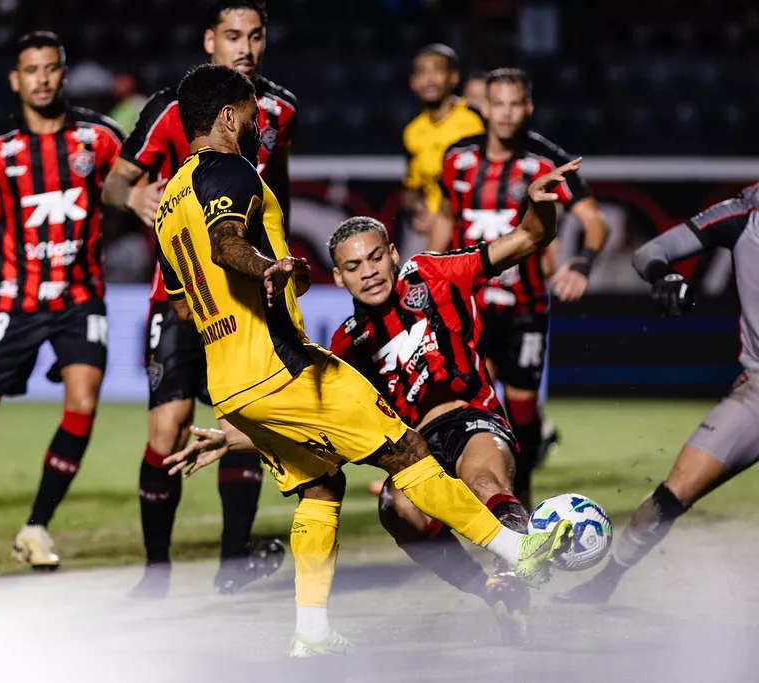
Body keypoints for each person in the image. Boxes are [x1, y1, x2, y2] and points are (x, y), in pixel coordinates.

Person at [156, 63, 573, 657]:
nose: (259, 121)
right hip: (280, 365)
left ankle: (313, 633)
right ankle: (517, 551)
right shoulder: (231, 170)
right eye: (252, 111)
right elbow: (228, 246)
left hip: (228, 381)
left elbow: (179, 301)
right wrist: (267, 268)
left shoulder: (170, 200)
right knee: (407, 453)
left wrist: (234, 427)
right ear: (228, 116)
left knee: (322, 488)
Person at [325, 172, 579, 641]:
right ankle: (493, 590)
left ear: (393, 254)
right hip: (414, 448)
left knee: (484, 481)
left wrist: (538, 204)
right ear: (339, 277)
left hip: (472, 417)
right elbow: (310, 414)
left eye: (377, 256)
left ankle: (522, 559)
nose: (370, 271)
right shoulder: (347, 343)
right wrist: (237, 435)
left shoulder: (431, 274)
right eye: (355, 265)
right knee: (396, 509)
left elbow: (528, 237)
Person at [102, 0, 296, 597]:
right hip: (178, 295)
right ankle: (155, 571)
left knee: (243, 420)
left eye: (255, 36)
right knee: (168, 429)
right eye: (233, 35)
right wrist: (136, 201)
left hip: (244, 300)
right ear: (210, 41)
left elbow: (274, 183)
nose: (246, 47)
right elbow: (115, 181)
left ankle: (233, 564)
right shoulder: (170, 109)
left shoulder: (279, 109)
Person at [0, 31, 125, 571]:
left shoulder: (99, 138)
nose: (42, 78)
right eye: (31, 69)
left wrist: (143, 201)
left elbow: (130, 184)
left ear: (63, 72)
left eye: (51, 68)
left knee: (82, 402)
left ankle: (35, 527)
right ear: (16, 79)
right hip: (12, 302)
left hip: (82, 298)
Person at [556, 183, 759, 604]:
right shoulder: (744, 213)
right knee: (672, 494)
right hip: (757, 395)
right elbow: (649, 252)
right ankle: (606, 580)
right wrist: (665, 276)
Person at [428, 68, 609, 507]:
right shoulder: (456, 158)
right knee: (463, 404)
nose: (506, 113)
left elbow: (595, 223)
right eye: (498, 104)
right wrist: (427, 273)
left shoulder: (547, 163)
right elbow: (447, 219)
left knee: (522, 415)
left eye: (516, 104)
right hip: (468, 305)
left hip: (525, 309)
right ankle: (455, 500)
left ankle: (521, 497)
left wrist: (581, 265)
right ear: (483, 107)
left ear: (528, 107)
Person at [401, 44, 484, 238]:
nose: (429, 79)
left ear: (453, 76)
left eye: (437, 70)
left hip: (480, 230)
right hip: (441, 235)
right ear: (413, 82)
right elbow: (412, 189)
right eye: (422, 72)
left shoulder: (476, 118)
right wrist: (416, 212)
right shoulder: (412, 131)